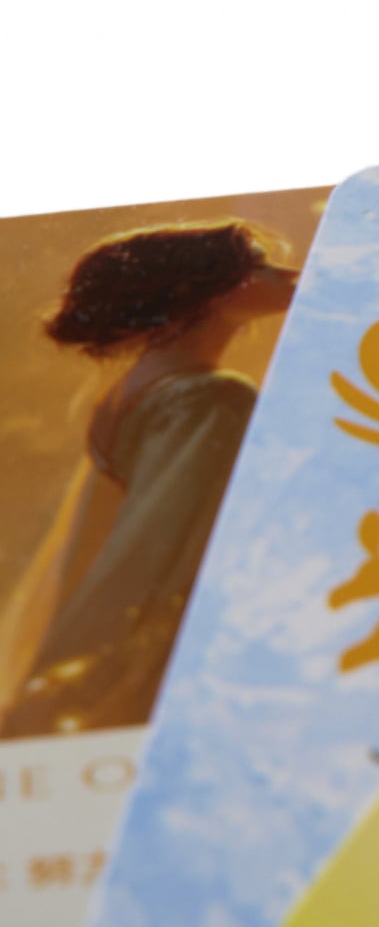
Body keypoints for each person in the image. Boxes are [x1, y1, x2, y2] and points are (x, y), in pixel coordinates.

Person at [0, 220, 298, 735]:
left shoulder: (131, 389)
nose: (286, 273)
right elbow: (169, 544)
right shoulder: (208, 398)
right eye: (257, 265)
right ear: (204, 286)